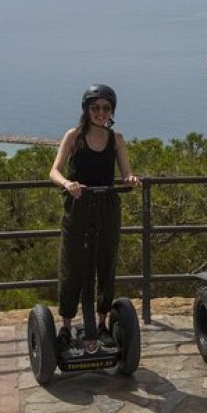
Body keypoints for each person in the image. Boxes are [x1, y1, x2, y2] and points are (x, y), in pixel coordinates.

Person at [49, 84, 140, 353]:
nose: (100, 113)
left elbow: (126, 173)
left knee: (106, 262)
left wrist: (131, 180)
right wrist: (67, 184)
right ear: (87, 110)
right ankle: (66, 324)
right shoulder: (74, 136)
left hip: (107, 206)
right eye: (95, 108)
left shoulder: (116, 139)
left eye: (106, 108)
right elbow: (54, 171)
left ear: (112, 111)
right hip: (78, 206)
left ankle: (102, 323)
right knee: (72, 265)